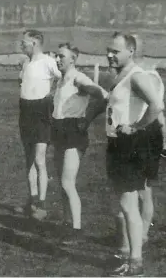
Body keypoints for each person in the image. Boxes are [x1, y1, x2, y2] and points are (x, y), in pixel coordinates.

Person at [86, 32, 164, 276]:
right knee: (126, 204)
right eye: (108, 50)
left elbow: (157, 105)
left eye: (115, 51)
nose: (109, 54)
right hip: (117, 144)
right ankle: (132, 256)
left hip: (129, 146)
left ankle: (135, 263)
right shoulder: (119, 75)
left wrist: (136, 127)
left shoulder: (137, 76)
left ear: (130, 51)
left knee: (128, 205)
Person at [51, 43, 108, 244]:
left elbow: (102, 95)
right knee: (62, 183)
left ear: (73, 59)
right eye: (56, 56)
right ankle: (67, 224)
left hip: (74, 133)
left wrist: (88, 118)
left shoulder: (78, 78)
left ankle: (76, 229)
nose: (57, 60)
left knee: (68, 182)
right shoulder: (61, 80)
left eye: (61, 56)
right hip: (58, 130)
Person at [18, 29, 62, 220]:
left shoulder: (48, 61)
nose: (22, 45)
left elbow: (63, 77)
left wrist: (53, 94)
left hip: (41, 112)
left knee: (39, 159)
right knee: (29, 159)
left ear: (34, 43)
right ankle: (32, 201)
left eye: (24, 42)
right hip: (25, 111)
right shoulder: (27, 62)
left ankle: (42, 205)